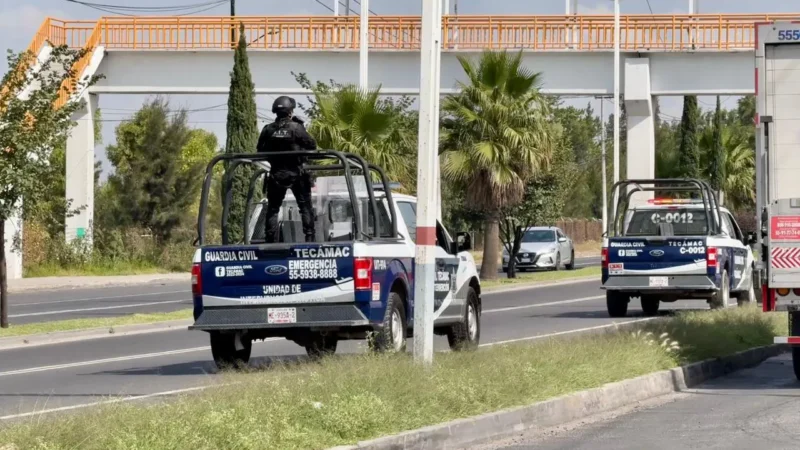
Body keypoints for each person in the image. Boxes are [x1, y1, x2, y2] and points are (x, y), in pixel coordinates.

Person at [257, 96, 318, 243]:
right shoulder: (296, 128)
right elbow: (312, 145)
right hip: (297, 173)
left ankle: (270, 240)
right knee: (305, 207)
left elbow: (260, 150)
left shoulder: (268, 129)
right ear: (290, 111)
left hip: (276, 174)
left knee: (273, 208)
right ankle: (309, 238)